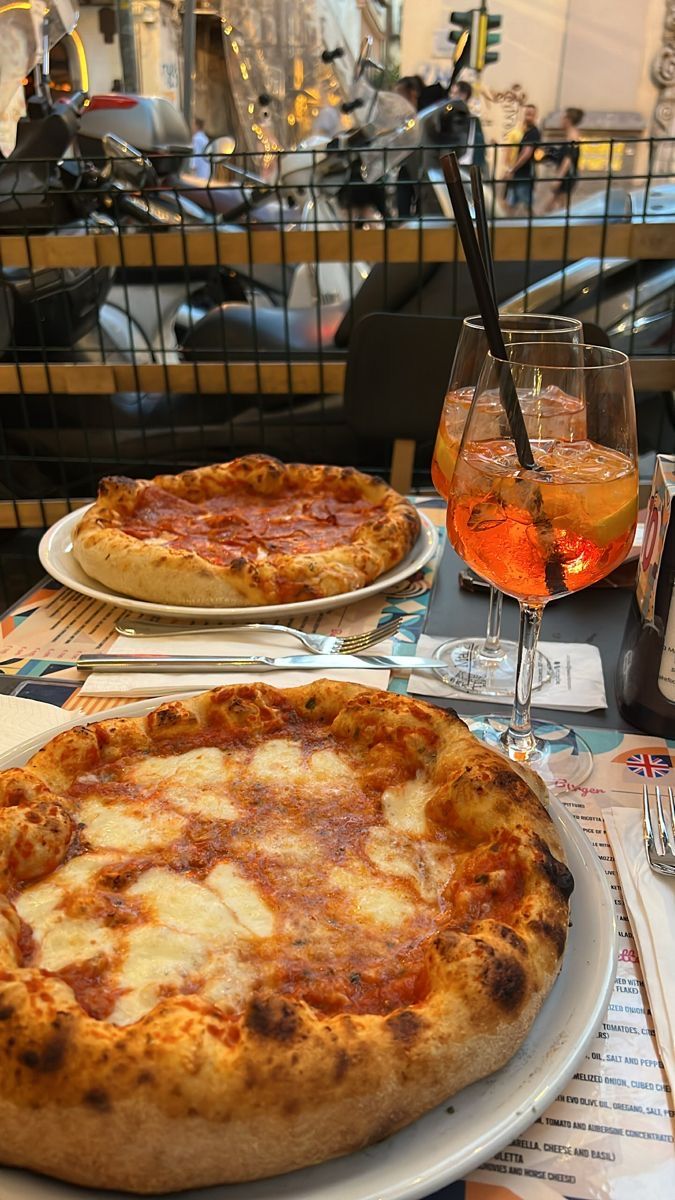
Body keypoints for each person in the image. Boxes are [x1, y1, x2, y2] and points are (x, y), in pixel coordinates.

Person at [543, 107, 584, 212]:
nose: (560, 120)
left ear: (568, 120)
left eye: (562, 117)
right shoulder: (571, 135)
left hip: (567, 176)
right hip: (567, 176)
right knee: (557, 205)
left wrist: (558, 179)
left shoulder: (573, 137)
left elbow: (568, 159)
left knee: (559, 206)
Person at [503, 103, 540, 215]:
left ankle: (535, 227)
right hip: (518, 174)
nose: (528, 116)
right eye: (526, 113)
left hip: (524, 174)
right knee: (510, 204)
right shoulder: (525, 132)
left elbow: (526, 154)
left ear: (535, 116)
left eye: (531, 114)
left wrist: (512, 169)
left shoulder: (533, 133)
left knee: (527, 206)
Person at [450, 79, 486, 173]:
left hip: (465, 164)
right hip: (455, 163)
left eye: (455, 93)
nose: (451, 96)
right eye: (451, 93)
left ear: (463, 95)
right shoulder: (450, 116)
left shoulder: (471, 119)